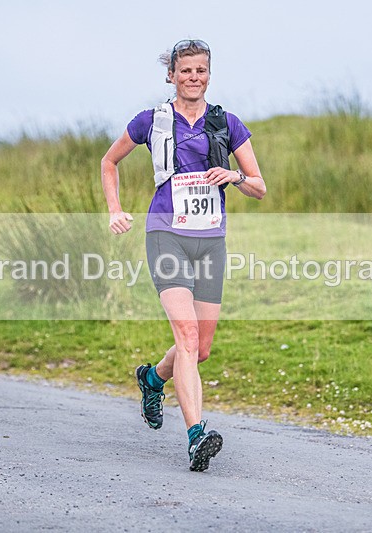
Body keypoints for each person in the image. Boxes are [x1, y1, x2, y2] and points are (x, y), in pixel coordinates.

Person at [100, 39, 266, 471]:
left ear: (209, 75)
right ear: (171, 75)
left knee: (201, 348)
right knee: (187, 336)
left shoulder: (227, 123)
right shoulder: (151, 120)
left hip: (210, 240)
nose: (194, 77)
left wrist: (233, 175)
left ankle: (152, 378)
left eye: (201, 70)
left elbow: (259, 186)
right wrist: (115, 209)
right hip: (166, 234)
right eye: (186, 70)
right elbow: (109, 162)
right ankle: (196, 436)